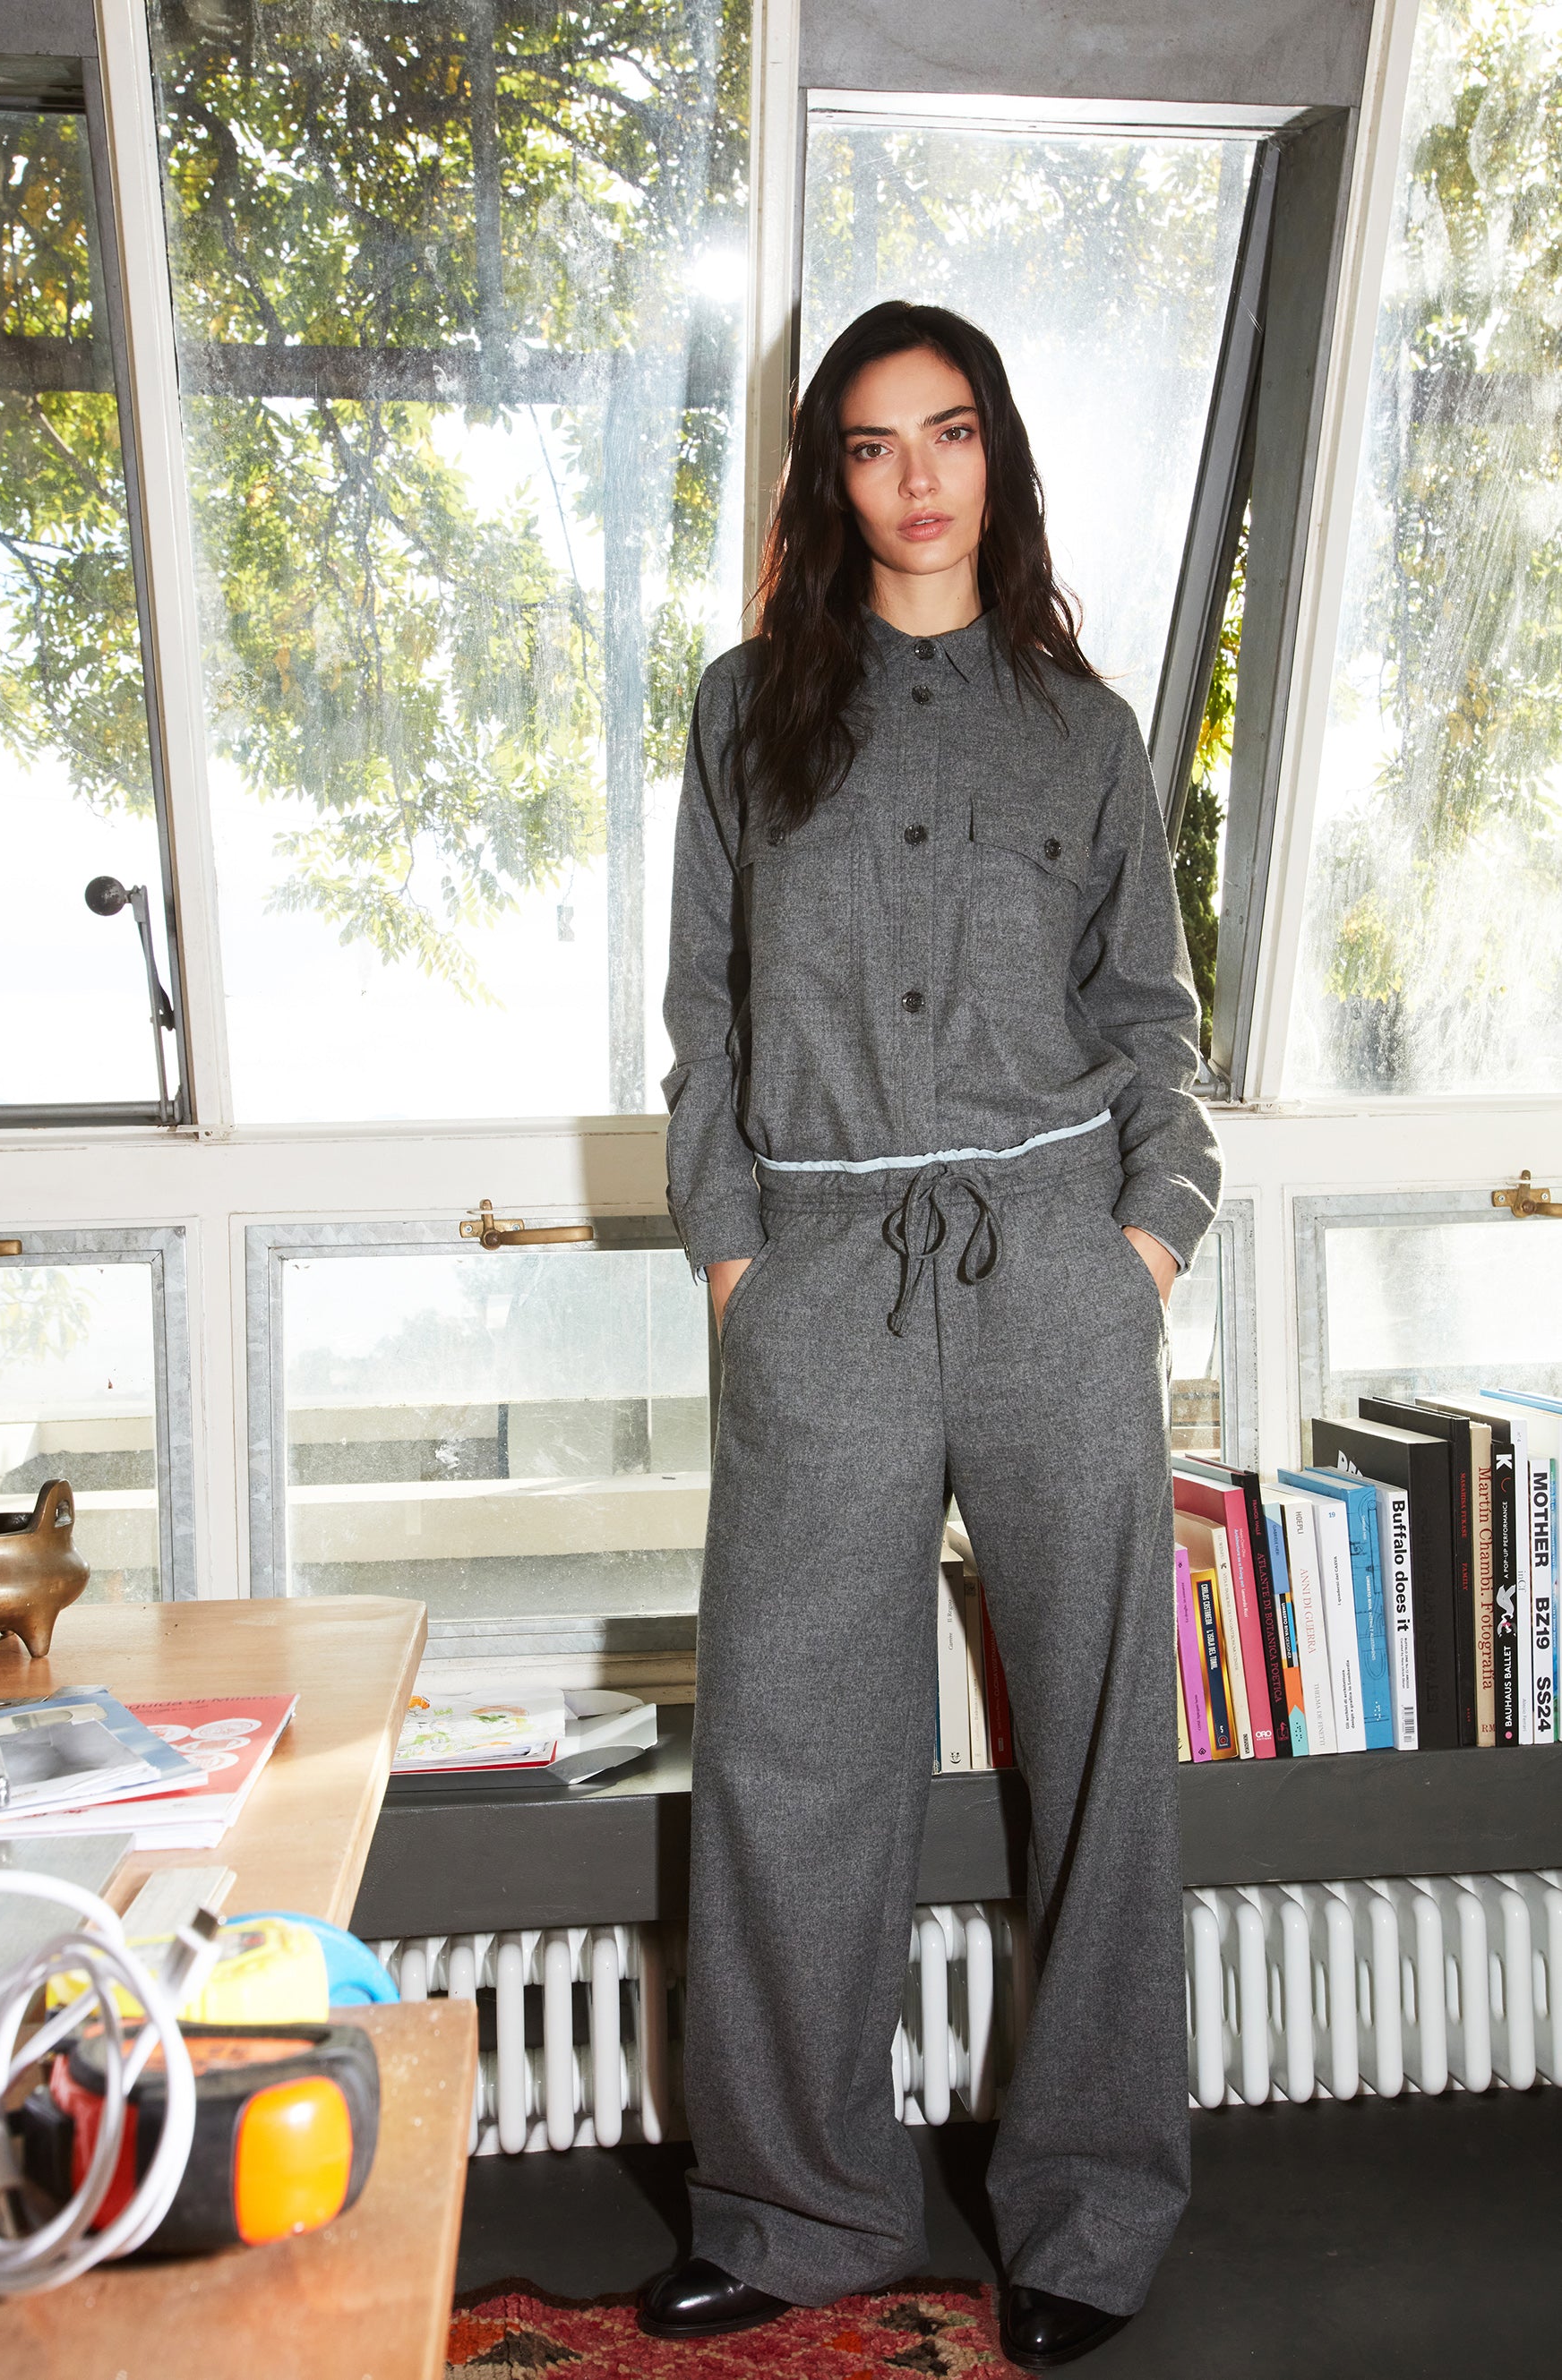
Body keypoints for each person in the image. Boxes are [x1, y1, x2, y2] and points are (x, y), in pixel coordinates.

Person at [642, 299, 1222, 2371]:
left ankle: (1090, 2216)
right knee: (788, 1758)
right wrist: (738, 1263)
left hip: (1056, 1270)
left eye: (949, 432)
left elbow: (1152, 1027)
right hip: (819, 1282)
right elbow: (701, 1024)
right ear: (830, 477)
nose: (915, 477)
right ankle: (795, 2212)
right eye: (874, 443)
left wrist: (1144, 1245)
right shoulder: (742, 716)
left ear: (997, 457)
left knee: (1099, 1759)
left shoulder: (1082, 727)